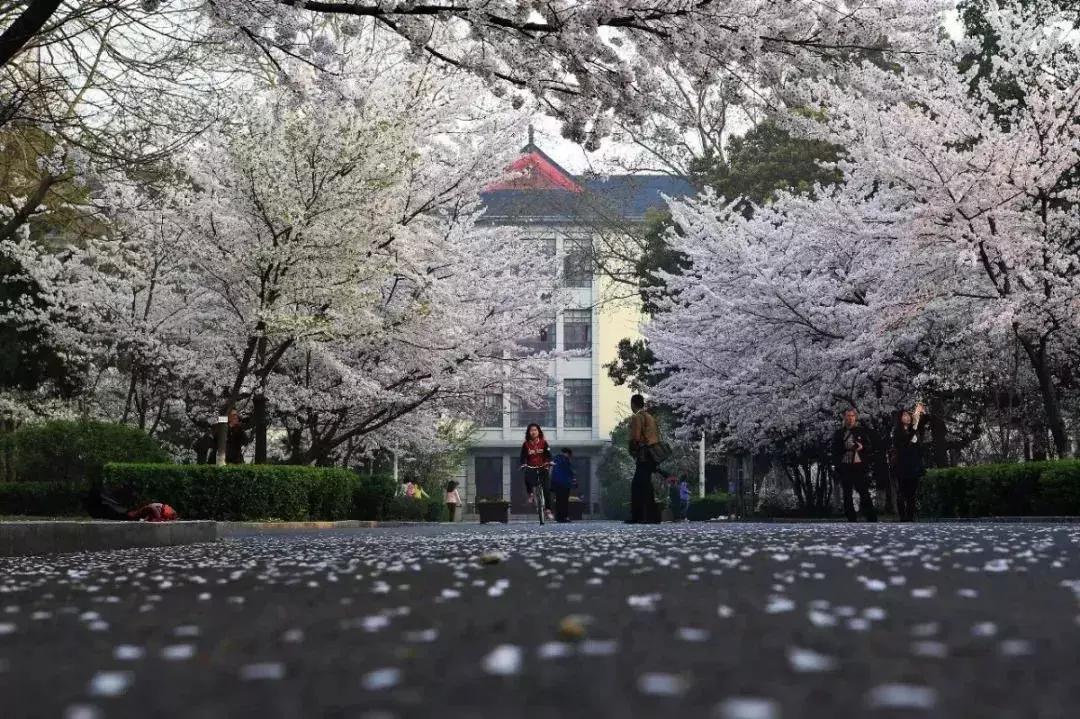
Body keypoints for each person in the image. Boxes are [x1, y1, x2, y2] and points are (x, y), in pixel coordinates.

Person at [831, 408, 878, 522]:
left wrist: (862, 448)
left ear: (855, 417)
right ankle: (851, 518)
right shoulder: (839, 433)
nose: (850, 418)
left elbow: (869, 447)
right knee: (847, 493)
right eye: (848, 416)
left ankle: (871, 517)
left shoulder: (861, 431)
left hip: (859, 464)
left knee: (863, 491)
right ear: (844, 417)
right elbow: (835, 451)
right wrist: (838, 466)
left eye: (852, 416)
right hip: (845, 464)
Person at [627, 394, 662, 524]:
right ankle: (651, 516)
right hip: (652, 454)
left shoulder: (637, 417)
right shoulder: (650, 417)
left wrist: (632, 449)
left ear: (633, 404)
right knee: (646, 485)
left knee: (637, 485)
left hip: (643, 454)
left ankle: (638, 516)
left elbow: (635, 437)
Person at [892, 402, 927, 522]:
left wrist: (919, 412)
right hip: (902, 466)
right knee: (902, 492)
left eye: (908, 415)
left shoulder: (915, 431)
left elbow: (918, 447)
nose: (907, 417)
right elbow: (904, 445)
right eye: (904, 415)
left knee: (912, 493)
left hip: (914, 465)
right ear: (900, 418)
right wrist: (914, 426)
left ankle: (910, 517)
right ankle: (903, 517)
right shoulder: (897, 432)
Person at [519, 423, 554, 520]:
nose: (533, 432)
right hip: (532, 467)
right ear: (528, 432)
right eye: (531, 430)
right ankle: (531, 494)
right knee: (526, 475)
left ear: (538, 432)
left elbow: (549, 454)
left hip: (543, 467)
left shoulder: (544, 442)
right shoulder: (526, 444)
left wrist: (549, 462)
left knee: (546, 489)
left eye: (535, 430)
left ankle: (548, 510)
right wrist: (523, 464)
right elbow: (523, 457)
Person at [550, 448, 577, 523]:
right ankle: (564, 517)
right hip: (564, 484)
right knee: (564, 501)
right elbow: (569, 472)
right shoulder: (565, 460)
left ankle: (558, 517)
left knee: (558, 501)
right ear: (568, 454)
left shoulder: (556, 460)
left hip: (557, 484)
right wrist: (573, 477)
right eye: (569, 455)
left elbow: (553, 472)